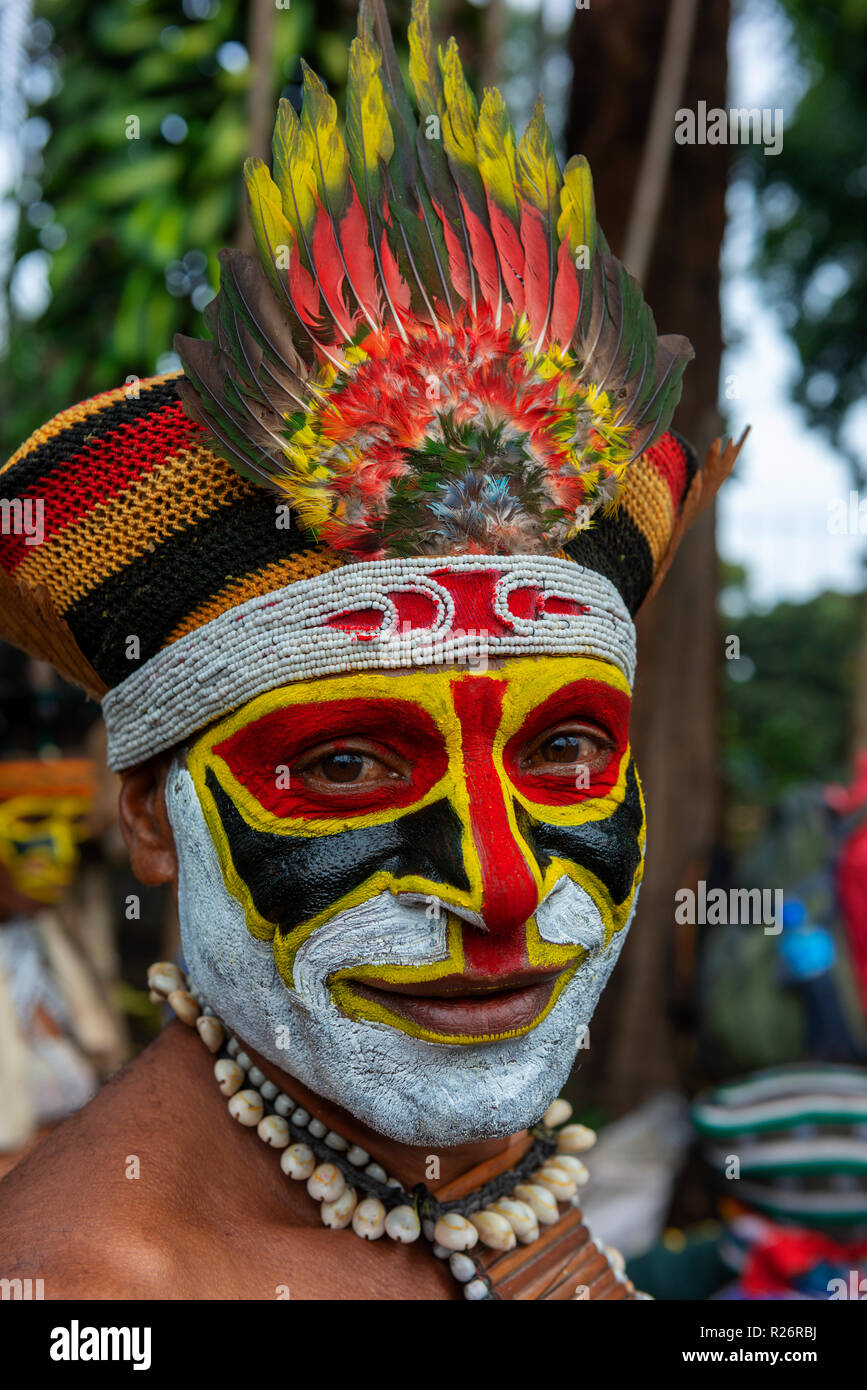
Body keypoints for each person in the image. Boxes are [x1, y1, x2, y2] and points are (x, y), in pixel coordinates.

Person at [0, 0, 742, 1299]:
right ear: (151, 817)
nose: (503, 886)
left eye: (567, 747)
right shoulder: (89, 1283)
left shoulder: (474, 1176)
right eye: (347, 763)